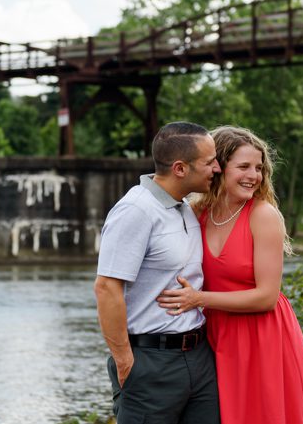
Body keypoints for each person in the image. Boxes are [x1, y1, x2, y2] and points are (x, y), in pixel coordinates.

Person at [157, 125, 303, 424]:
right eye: (244, 166)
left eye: (259, 168)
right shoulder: (195, 214)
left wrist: (198, 298)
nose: (254, 176)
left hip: (262, 337)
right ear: (218, 167)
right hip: (214, 336)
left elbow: (266, 297)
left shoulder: (263, 216)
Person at [94, 121, 222, 424]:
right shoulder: (136, 210)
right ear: (180, 168)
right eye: (209, 162)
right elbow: (106, 288)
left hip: (199, 357)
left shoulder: (185, 207)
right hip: (151, 361)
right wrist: (125, 362)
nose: (217, 168)